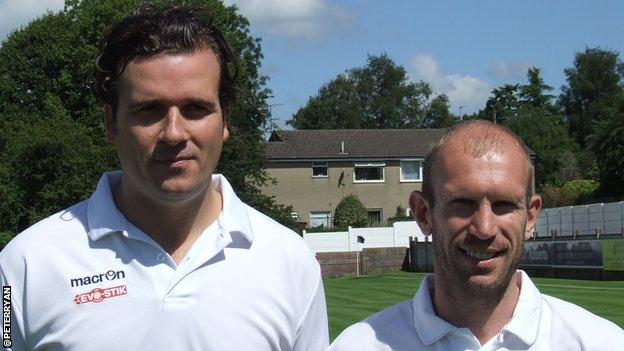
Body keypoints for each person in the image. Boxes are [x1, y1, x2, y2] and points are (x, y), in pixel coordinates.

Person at [0, 5, 328, 350]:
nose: (174, 133)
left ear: (225, 120)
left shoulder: (290, 262)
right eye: (149, 110)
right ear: (111, 122)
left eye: (195, 109)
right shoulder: (24, 266)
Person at [331, 120, 624, 350]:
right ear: (423, 213)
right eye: (462, 204)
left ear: (530, 217)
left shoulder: (601, 343)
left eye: (504, 205)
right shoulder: (357, 346)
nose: (484, 228)